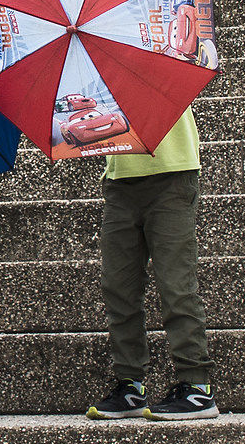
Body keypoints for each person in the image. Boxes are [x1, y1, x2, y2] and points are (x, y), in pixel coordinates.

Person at [85, 106, 218, 421]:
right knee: (118, 288)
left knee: (176, 285)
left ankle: (197, 386)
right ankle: (130, 385)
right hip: (120, 180)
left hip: (173, 173)